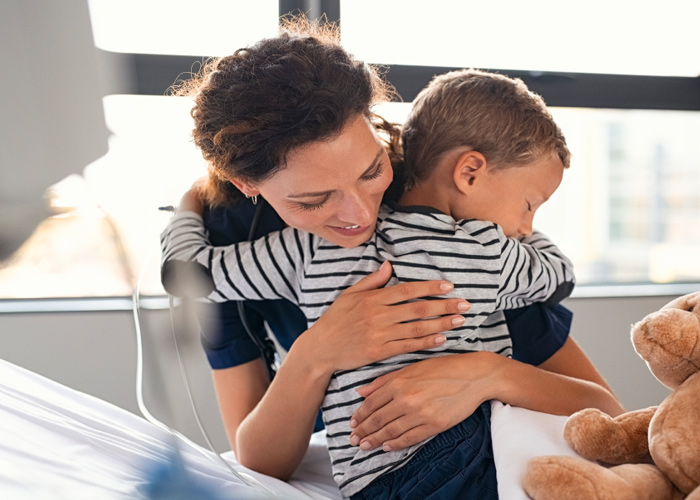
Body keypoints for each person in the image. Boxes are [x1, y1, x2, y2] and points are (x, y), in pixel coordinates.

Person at [161, 16, 623, 499]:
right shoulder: (233, 241)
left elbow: (608, 411)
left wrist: (486, 373)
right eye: (314, 200)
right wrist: (318, 351)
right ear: (247, 186)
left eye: (371, 171)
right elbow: (257, 458)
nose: (359, 215)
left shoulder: (458, 219)